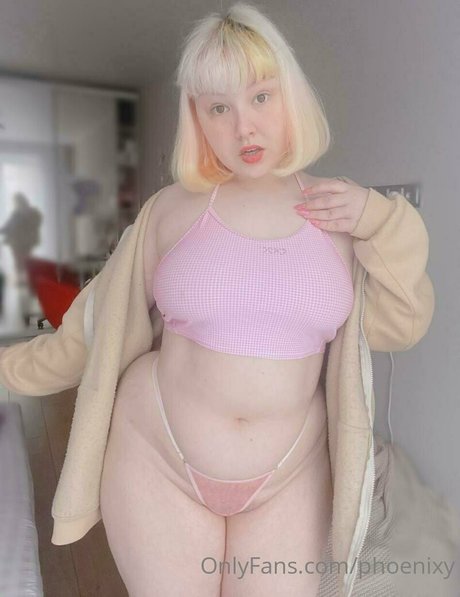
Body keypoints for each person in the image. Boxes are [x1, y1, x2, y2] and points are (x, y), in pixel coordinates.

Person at [0, 3, 435, 596]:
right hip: (158, 453)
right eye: (219, 108)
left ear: (291, 97)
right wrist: (7, 369)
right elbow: (91, 328)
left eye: (261, 97)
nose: (243, 128)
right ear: (198, 118)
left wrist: (383, 222)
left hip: (289, 472)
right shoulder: (170, 211)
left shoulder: (342, 215)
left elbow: (401, 326)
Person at [0, 192, 43, 285]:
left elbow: (35, 223)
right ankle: (22, 280)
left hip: (24, 242)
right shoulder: (16, 213)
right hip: (16, 242)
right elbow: (8, 226)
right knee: (19, 261)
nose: (14, 204)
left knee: (24, 261)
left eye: (15, 201)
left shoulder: (31, 212)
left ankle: (26, 279)